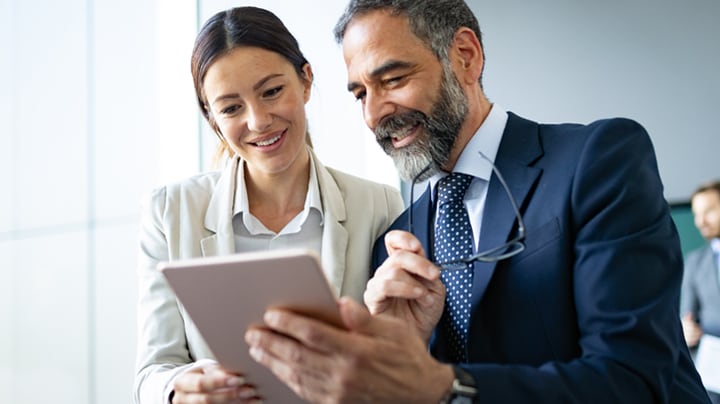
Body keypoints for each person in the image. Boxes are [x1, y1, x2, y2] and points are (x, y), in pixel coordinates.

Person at [243, 0, 711, 402]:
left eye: (393, 79)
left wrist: (441, 386)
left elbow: (635, 380)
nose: (374, 113)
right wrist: (404, 346)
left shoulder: (597, 160)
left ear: (465, 56)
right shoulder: (396, 240)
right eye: (360, 93)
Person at [132, 6, 404, 404]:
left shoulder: (379, 206)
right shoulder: (169, 213)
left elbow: (396, 357)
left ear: (306, 81)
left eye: (272, 91)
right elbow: (152, 371)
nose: (258, 120)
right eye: (231, 108)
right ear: (212, 119)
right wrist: (180, 392)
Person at [681, 180, 720, 403]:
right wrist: (684, 331)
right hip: (714, 375)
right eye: (696, 214)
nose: (700, 222)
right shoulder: (694, 263)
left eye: (709, 211)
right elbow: (687, 316)